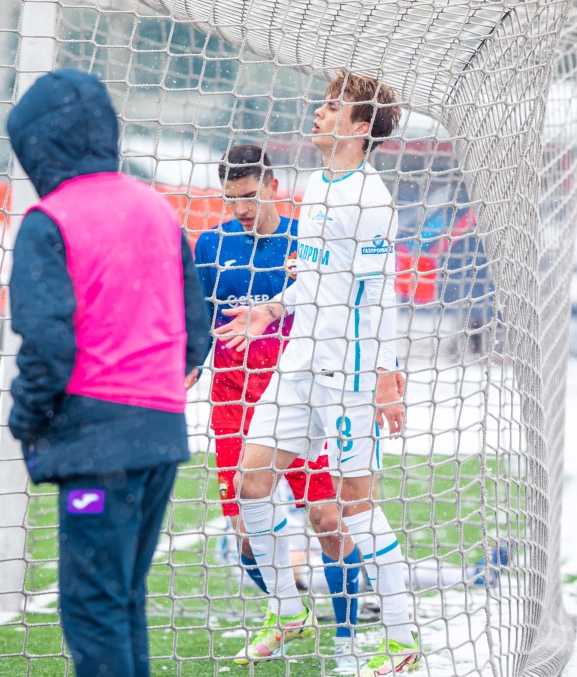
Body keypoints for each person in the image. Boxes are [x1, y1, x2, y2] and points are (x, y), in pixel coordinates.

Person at [215, 71, 421, 677]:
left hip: (351, 371)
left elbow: (381, 293)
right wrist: (270, 309)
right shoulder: (315, 183)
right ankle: (287, 609)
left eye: (333, 108)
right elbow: (314, 277)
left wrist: (386, 374)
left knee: (355, 510)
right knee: (252, 481)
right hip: (300, 360)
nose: (319, 113)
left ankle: (403, 641)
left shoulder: (372, 200)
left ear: (360, 129)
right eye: (323, 104)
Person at [6, 68, 210, 677]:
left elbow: (47, 344)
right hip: (161, 435)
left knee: (93, 605)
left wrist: (28, 418)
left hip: (98, 440)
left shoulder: (51, 220)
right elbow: (196, 334)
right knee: (124, 598)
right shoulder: (156, 210)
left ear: (40, 143)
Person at [189, 144, 362, 669]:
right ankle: (287, 613)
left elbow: (335, 306)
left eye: (247, 196)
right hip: (232, 400)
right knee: (245, 532)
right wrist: (191, 360)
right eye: (230, 198)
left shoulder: (305, 239)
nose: (239, 208)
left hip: (300, 396)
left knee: (329, 519)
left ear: (272, 187)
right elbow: (199, 316)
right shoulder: (211, 245)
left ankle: (348, 637)